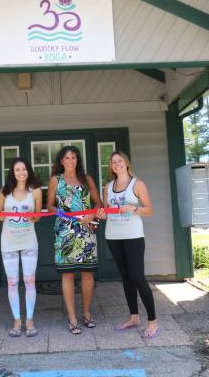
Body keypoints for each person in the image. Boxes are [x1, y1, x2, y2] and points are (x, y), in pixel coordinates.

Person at [97, 150, 159, 339]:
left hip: (133, 236)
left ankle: (153, 321)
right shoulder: (108, 187)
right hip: (113, 236)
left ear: (126, 163)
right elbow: (107, 212)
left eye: (120, 161)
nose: (117, 164)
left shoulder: (137, 184)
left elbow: (149, 210)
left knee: (137, 276)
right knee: (125, 277)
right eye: (113, 162)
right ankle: (134, 317)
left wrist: (135, 208)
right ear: (111, 166)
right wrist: (101, 215)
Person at [47, 145, 102, 335]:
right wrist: (62, 213)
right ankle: (72, 317)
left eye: (74, 157)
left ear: (78, 160)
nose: (71, 161)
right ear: (61, 161)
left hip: (86, 229)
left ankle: (86, 311)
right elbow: (49, 205)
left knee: (87, 274)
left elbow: (98, 203)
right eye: (67, 158)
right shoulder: (56, 180)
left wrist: (92, 213)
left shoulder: (87, 180)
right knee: (67, 274)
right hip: (65, 231)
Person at [0, 157, 42, 337]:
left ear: (28, 171)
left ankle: (29, 320)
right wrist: (5, 214)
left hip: (29, 240)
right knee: (12, 282)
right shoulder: (4, 191)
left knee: (29, 281)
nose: (21, 172)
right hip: (8, 242)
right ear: (12, 173)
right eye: (17, 170)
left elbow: (37, 217)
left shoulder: (36, 191)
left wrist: (32, 216)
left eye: (24, 169)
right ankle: (17, 320)